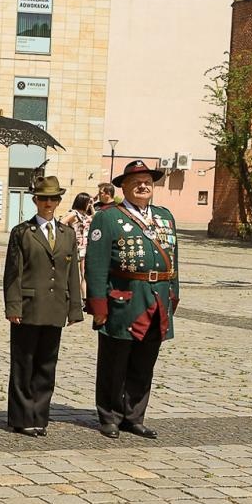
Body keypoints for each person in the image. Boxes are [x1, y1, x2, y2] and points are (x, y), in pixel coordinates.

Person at [86, 160, 179, 440]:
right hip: (124, 300)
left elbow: (174, 260)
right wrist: (98, 305)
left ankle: (134, 416)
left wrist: (174, 294)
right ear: (123, 187)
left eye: (147, 182)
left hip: (157, 299)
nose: (143, 186)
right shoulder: (108, 217)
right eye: (136, 182)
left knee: (144, 362)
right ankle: (110, 416)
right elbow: (96, 264)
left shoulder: (165, 217)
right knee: (115, 362)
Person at [3, 176, 83, 437]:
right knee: (23, 364)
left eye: (53, 198)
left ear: (59, 201)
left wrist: (74, 308)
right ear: (35, 200)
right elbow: (13, 273)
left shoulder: (67, 233)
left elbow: (72, 274)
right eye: (43, 198)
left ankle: (39, 416)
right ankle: (21, 417)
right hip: (28, 306)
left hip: (55, 307)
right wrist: (13, 306)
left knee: (47, 365)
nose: (48, 203)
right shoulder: (22, 232)